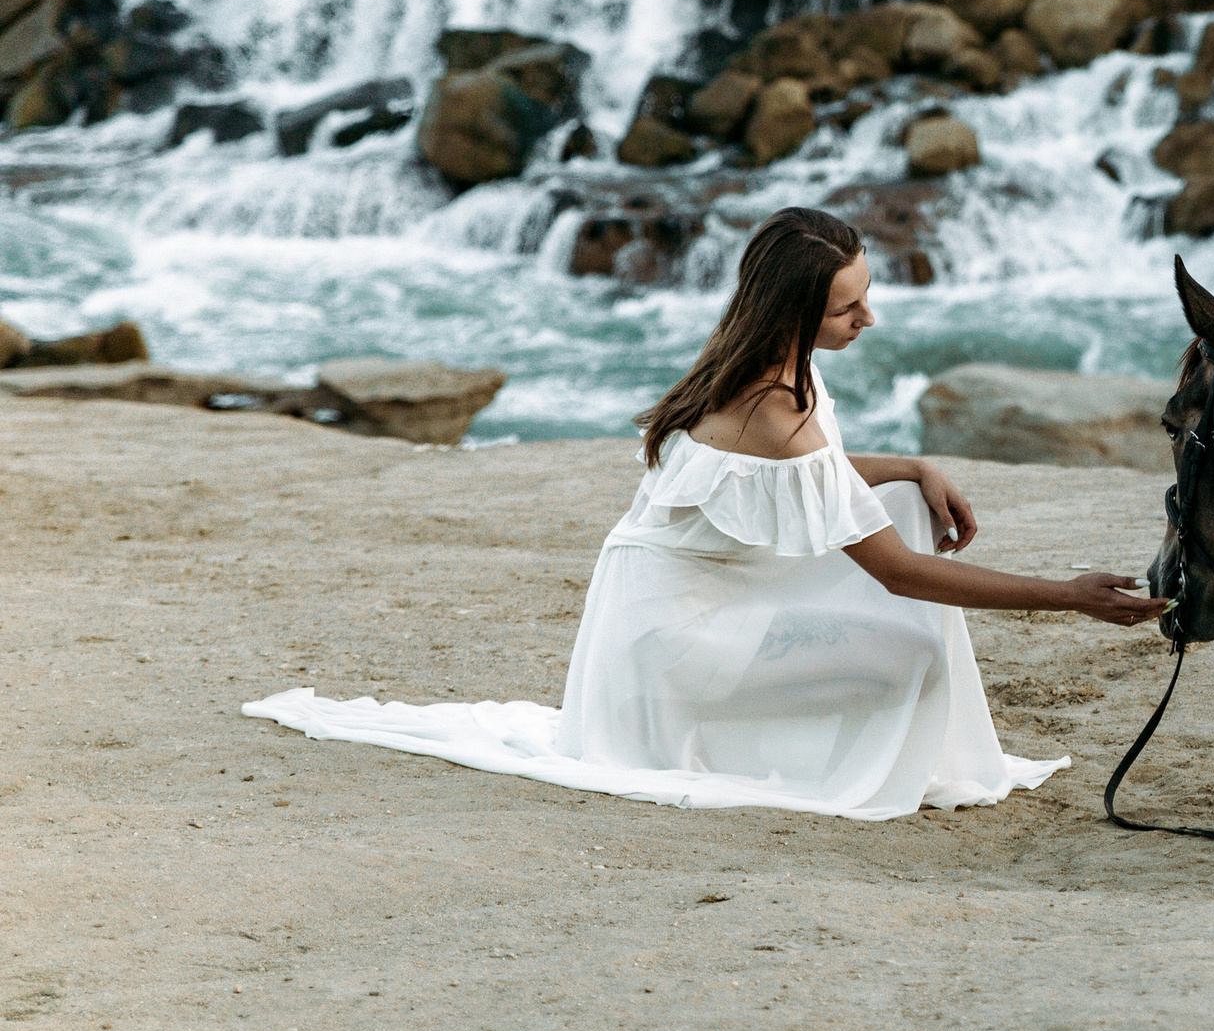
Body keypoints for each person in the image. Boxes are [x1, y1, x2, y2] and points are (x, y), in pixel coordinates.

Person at [245, 207, 1167, 820]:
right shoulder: (774, 404)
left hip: (671, 599)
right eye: (851, 306)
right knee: (917, 649)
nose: (869, 319)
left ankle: (813, 735)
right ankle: (799, 760)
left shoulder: (759, 364)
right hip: (675, 639)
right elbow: (895, 573)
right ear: (799, 311)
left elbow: (825, 480)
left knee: (899, 503)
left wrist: (919, 465)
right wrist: (1069, 596)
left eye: (867, 296)